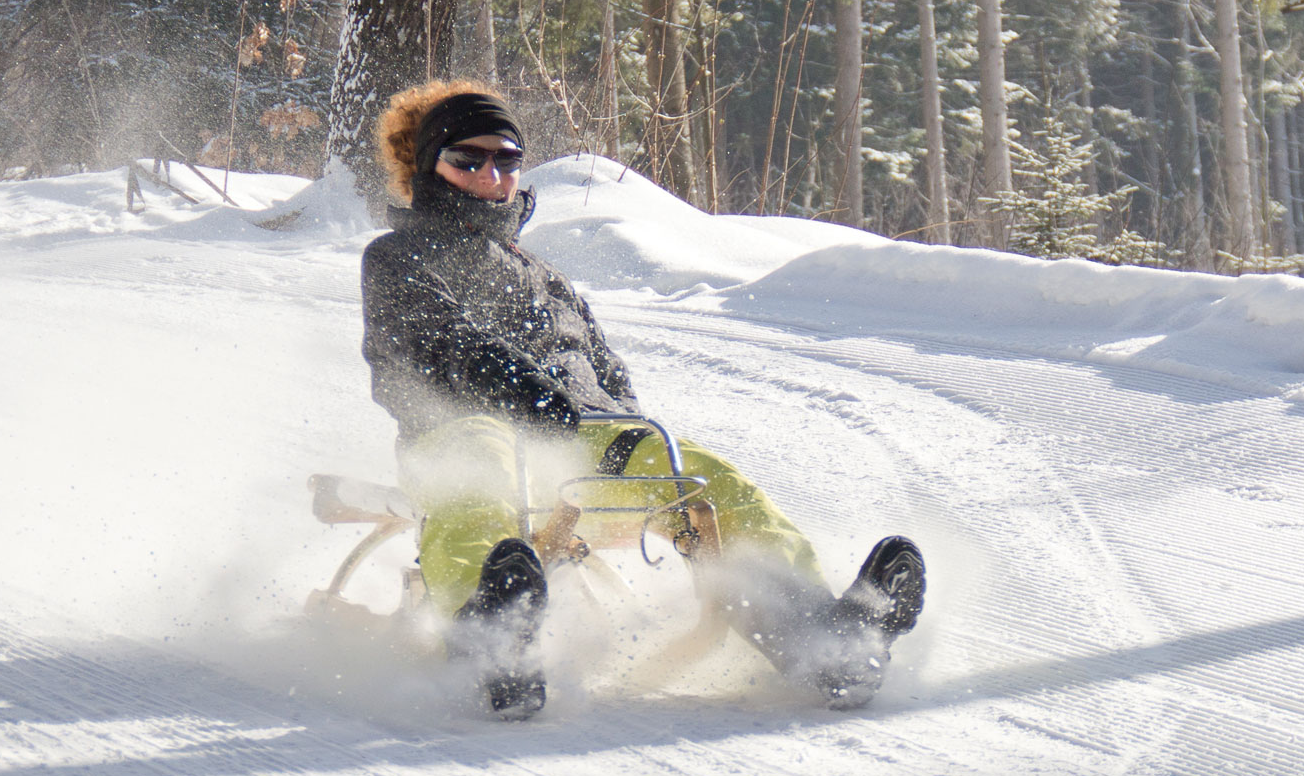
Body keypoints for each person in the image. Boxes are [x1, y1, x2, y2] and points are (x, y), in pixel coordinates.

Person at [359, 79, 925, 716]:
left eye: (506, 159)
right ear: (429, 166)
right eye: (468, 159)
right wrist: (522, 391)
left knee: (711, 485)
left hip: (578, 438)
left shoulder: (545, 276)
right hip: (459, 431)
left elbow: (606, 371)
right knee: (478, 480)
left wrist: (616, 422)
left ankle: (824, 642)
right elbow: (439, 346)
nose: (491, 174)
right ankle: (490, 640)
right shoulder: (399, 258)